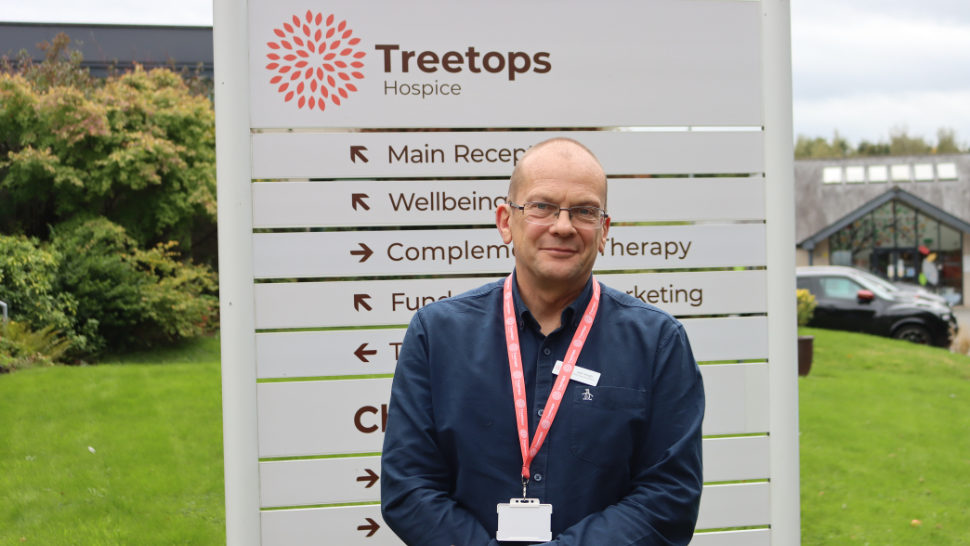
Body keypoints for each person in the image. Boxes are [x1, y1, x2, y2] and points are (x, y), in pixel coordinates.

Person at [381, 137, 704, 545]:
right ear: (505, 221)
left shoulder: (659, 343)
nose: (563, 226)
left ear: (604, 231)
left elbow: (669, 497)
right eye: (542, 206)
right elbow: (408, 486)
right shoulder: (436, 335)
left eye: (584, 211)